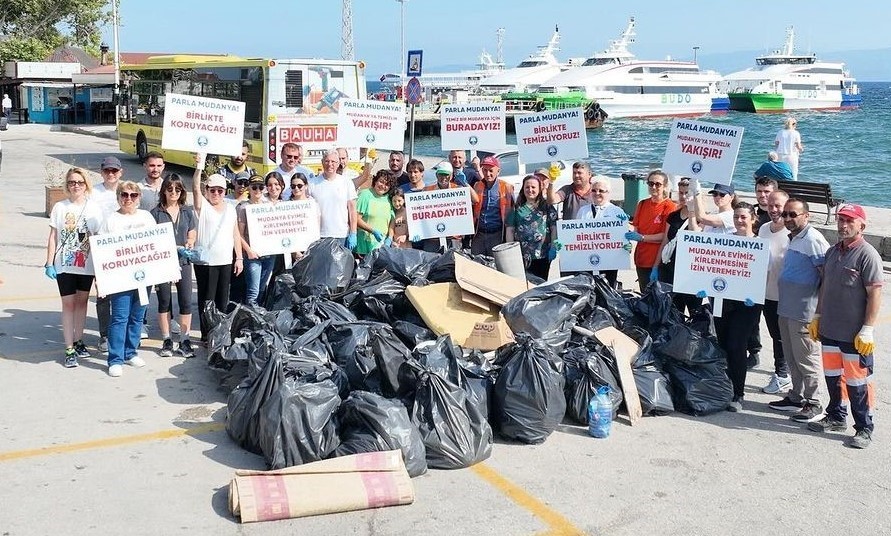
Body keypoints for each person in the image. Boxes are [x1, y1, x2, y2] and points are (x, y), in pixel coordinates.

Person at [807, 204, 883, 448]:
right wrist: (818, 316)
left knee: (858, 383)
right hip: (830, 330)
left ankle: (864, 428)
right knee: (833, 378)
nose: (843, 225)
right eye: (840, 220)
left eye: (849, 220)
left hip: (854, 335)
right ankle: (836, 416)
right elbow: (824, 287)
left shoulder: (867, 255)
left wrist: (867, 328)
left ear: (862, 225)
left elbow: (875, 294)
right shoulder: (832, 252)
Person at [767, 198, 830, 423]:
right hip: (787, 308)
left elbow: (826, 276)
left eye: (793, 214)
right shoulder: (792, 237)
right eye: (785, 214)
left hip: (804, 311)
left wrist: (819, 312)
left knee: (807, 358)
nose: (788, 219)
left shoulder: (813, 240)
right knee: (792, 357)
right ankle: (795, 396)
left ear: (806, 215)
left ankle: (814, 403)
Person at [698, 202, 763, 412]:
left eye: (744, 217)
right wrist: (703, 288)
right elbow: (711, 268)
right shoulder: (724, 242)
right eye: (736, 217)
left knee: (737, 345)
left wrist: (755, 294)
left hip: (748, 305)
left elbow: (765, 275)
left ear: (753, 219)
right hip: (723, 301)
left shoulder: (761, 244)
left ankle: (738, 393)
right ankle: (724, 388)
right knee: (724, 344)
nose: (739, 221)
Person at [44, 167, 102, 368]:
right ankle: (69, 348)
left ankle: (79, 340)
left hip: (86, 265)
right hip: (64, 265)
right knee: (68, 304)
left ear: (86, 184)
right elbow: (53, 236)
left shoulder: (94, 208)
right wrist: (49, 262)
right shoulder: (60, 207)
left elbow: (97, 238)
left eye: (79, 182)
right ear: (67, 185)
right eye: (72, 182)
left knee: (82, 303)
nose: (76, 186)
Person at [98, 181, 156, 377]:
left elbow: (155, 245)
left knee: (137, 316)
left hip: (143, 276)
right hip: (120, 278)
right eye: (124, 195)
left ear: (139, 197)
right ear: (118, 197)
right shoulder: (111, 220)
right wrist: (101, 279)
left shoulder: (146, 217)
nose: (128, 199)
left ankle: (130, 352)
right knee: (120, 317)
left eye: (133, 195)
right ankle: (115, 358)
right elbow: (102, 253)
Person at [191, 157, 243, 346]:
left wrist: (239, 258)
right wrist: (199, 166)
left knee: (222, 299)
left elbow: (235, 234)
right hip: (206, 262)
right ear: (207, 191)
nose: (216, 194)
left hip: (225, 260)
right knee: (207, 299)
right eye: (212, 190)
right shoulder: (202, 207)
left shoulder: (230, 209)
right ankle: (206, 334)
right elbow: (195, 188)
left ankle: (219, 331)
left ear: (224, 192)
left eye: (220, 190)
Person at [149, 174, 197, 358]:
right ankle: (167, 339)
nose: (174, 193)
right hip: (163, 263)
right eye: (170, 189)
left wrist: (190, 242)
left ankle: (185, 339)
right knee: (164, 301)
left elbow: (191, 233)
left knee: (185, 301)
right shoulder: (155, 213)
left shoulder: (187, 212)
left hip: (183, 262)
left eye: (177, 189)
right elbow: (152, 240)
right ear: (164, 191)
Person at [758, 189, 791, 394]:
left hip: (787, 297)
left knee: (784, 338)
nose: (774, 209)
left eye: (778, 205)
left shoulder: (792, 233)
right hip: (767, 294)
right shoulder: (763, 229)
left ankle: (783, 374)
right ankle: (782, 373)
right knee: (775, 335)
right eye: (770, 205)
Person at [91, 156, 125, 352]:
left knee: (125, 293)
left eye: (114, 171)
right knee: (103, 294)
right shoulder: (94, 192)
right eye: (107, 171)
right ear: (102, 172)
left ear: (121, 172)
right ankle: (104, 335)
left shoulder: (127, 189)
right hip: (102, 248)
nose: (111, 174)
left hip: (125, 250)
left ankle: (123, 334)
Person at [653, 177, 700, 315]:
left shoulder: (701, 218)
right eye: (681, 193)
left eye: (687, 193)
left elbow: (695, 236)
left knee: (695, 312)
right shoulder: (673, 216)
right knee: (673, 311)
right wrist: (656, 266)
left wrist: (692, 211)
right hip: (670, 268)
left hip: (690, 272)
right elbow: (665, 241)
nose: (684, 196)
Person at [625, 170, 677, 292]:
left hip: (658, 262)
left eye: (658, 184)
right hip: (641, 259)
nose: (653, 187)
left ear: (664, 186)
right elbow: (636, 228)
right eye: (650, 183)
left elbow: (666, 236)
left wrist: (642, 237)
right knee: (645, 297)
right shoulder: (642, 204)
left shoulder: (669, 207)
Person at [575, 178, 627, 288]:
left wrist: (626, 244)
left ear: (608, 193)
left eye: (601, 191)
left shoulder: (616, 211)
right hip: (586, 257)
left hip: (609, 260)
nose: (597, 193)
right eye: (594, 190)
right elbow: (576, 234)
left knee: (608, 289)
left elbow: (624, 236)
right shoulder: (583, 211)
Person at [505, 174, 558, 279]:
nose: (530, 190)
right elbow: (510, 230)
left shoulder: (547, 207)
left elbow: (553, 228)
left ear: (539, 189)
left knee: (541, 284)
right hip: (523, 255)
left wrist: (554, 246)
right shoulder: (517, 208)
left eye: (533, 187)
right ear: (523, 189)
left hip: (543, 254)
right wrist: (511, 251)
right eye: (527, 187)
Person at [236, 175, 274, 306]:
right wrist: (249, 251)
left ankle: (258, 318)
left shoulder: (269, 206)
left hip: (269, 254)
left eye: (261, 187)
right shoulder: (243, 207)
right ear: (249, 189)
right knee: (253, 291)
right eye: (254, 187)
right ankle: (251, 320)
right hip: (252, 255)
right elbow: (238, 235)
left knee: (262, 289)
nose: (257, 190)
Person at [309, 150, 358, 249]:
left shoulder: (346, 182)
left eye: (333, 162)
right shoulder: (312, 183)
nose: (330, 164)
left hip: (341, 235)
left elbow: (352, 210)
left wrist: (353, 232)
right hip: (319, 235)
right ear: (322, 162)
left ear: (338, 163)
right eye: (327, 161)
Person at [471, 156, 515, 257]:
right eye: (485, 170)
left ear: (498, 171)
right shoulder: (477, 185)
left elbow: (513, 210)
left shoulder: (507, 187)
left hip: (497, 234)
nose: (487, 174)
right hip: (479, 234)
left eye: (491, 171)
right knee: (476, 264)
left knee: (494, 265)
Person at [355, 170, 395, 255]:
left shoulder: (389, 199)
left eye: (387, 184)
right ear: (375, 181)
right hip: (363, 246)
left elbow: (392, 220)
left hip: (382, 246)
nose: (383, 186)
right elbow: (356, 219)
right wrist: (373, 231)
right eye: (381, 182)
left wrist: (390, 237)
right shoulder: (365, 195)